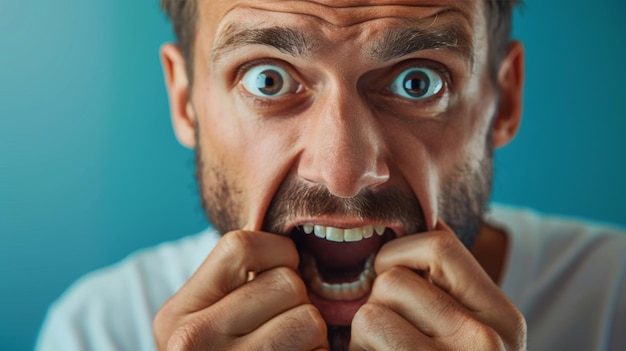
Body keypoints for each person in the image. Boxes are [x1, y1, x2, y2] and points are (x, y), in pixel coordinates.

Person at [36, 0, 626, 350]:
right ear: (185, 101)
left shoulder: (614, 304)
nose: (343, 172)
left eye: (416, 80)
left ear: (504, 99)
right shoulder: (101, 329)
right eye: (267, 78)